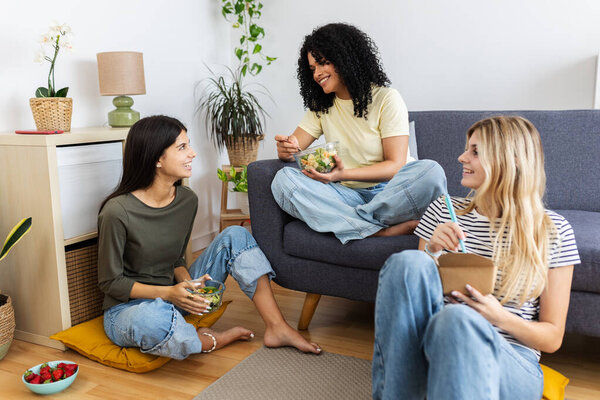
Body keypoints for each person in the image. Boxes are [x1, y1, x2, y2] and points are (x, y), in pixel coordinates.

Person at [372, 116, 580, 399]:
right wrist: (433, 252)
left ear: (512, 161)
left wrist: (498, 316)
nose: (461, 157)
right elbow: (415, 301)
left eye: (475, 151)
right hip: (434, 343)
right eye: (467, 149)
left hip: (510, 359)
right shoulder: (443, 212)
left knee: (458, 320)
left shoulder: (552, 231)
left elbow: (553, 337)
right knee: (407, 264)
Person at [98, 115, 321, 359]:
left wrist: (189, 287)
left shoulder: (186, 199)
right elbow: (111, 283)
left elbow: (175, 260)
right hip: (129, 310)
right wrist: (169, 294)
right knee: (153, 319)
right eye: (182, 147)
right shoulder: (117, 211)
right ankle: (206, 340)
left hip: (175, 296)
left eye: (188, 145)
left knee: (236, 234)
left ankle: (277, 327)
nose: (192, 153)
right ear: (157, 159)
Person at [271, 23, 446, 244]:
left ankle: (351, 222)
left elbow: (395, 165)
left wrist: (342, 174)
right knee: (283, 180)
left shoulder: (386, 98)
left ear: (346, 57)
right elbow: (294, 147)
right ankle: (376, 229)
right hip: (346, 196)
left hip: (390, 194)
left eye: (323, 63)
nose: (317, 74)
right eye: (313, 68)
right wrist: (285, 149)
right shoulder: (321, 106)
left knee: (431, 171)